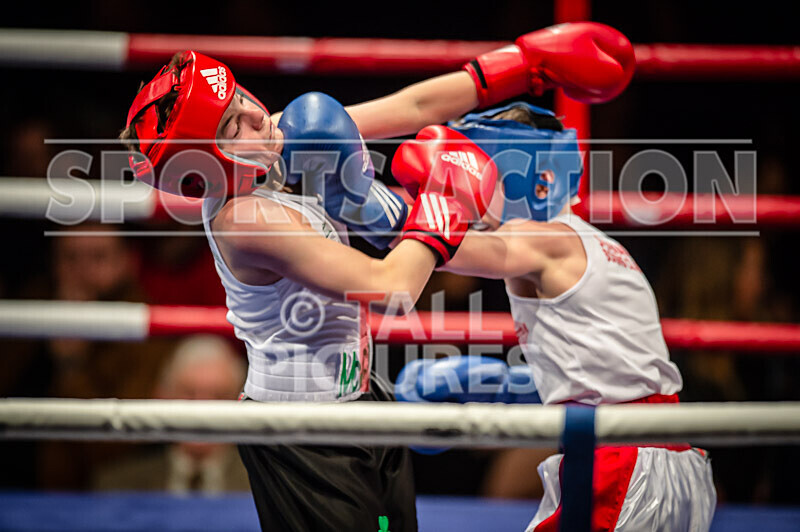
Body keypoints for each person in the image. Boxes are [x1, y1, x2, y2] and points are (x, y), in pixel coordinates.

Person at [119, 22, 633, 532]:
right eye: (233, 124)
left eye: (241, 94)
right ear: (206, 167)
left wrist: (521, 65)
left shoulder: (277, 138)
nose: (257, 114)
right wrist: (443, 203)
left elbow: (412, 109)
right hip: (302, 434)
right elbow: (390, 289)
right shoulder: (245, 221)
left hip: (360, 399)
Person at [394, 103, 717, 531]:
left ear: (536, 180)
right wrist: (510, 388)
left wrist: (367, 197)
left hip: (623, 465)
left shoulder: (540, 238)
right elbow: (615, 372)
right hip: (664, 460)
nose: (472, 187)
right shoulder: (596, 243)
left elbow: (442, 247)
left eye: (483, 169)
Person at [93, 335, 250, 493]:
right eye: (189, 393)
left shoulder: (261, 489)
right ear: (162, 397)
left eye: (219, 395)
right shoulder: (117, 485)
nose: (202, 410)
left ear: (239, 403)